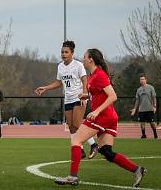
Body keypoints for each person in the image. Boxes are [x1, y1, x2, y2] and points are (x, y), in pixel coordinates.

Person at [55, 48, 146, 187]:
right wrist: (86, 96)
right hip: (110, 118)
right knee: (106, 152)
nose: (83, 59)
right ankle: (137, 169)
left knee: (76, 141)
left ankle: (72, 176)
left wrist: (96, 112)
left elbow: (113, 96)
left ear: (91, 59)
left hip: (103, 117)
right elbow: (99, 94)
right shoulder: (93, 76)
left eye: (85, 57)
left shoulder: (99, 75)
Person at [35, 40, 98, 159]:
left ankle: (94, 145)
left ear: (72, 53)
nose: (63, 54)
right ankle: (80, 150)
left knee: (77, 124)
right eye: (62, 52)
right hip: (68, 99)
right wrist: (46, 88)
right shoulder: (60, 66)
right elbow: (59, 82)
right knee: (71, 127)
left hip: (78, 97)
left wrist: (85, 94)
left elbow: (85, 79)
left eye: (66, 52)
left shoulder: (78, 65)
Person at [131, 74, 158, 139]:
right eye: (140, 79)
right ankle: (143, 135)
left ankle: (155, 134)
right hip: (141, 110)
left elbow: (154, 97)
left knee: (152, 123)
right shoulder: (138, 90)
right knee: (142, 123)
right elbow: (137, 100)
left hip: (150, 109)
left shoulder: (151, 87)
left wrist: (154, 106)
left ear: (146, 80)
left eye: (143, 79)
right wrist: (134, 108)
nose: (142, 80)